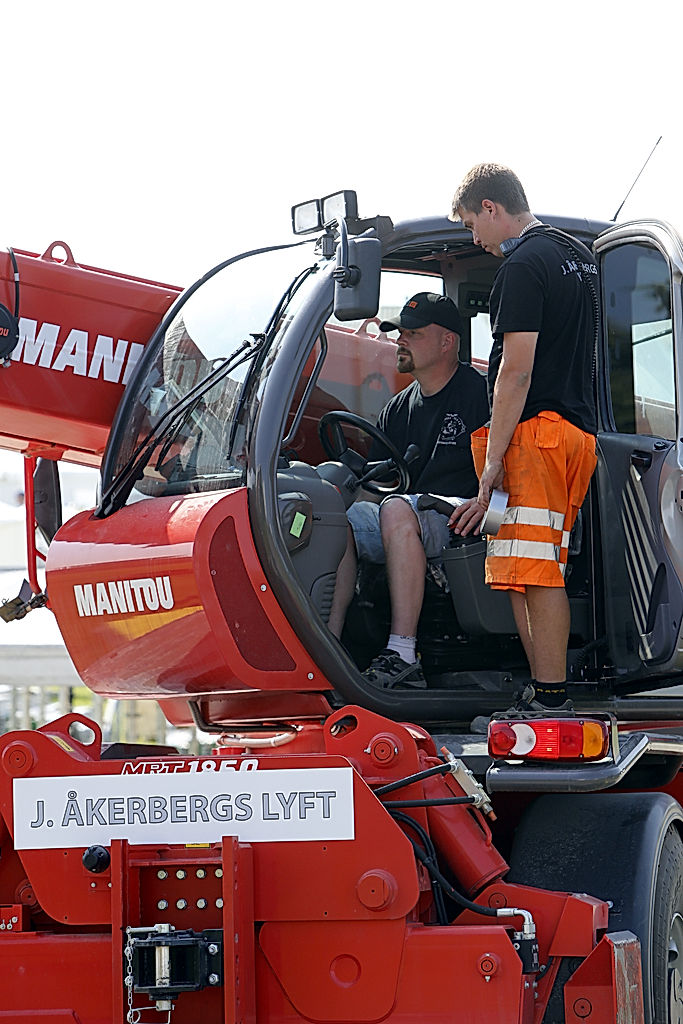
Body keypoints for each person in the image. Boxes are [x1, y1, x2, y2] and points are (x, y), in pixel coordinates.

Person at [449, 163, 598, 714]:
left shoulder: (522, 267)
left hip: (538, 436)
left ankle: (551, 697)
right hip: (576, 435)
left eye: (471, 225)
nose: (474, 239)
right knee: (525, 567)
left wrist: (489, 471)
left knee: (533, 571)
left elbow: (515, 371)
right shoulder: (578, 258)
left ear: (491, 207)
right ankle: (543, 688)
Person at [327, 291, 489, 689]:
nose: (400, 340)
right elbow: (376, 485)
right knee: (335, 517)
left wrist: (484, 504)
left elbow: (503, 478)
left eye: (413, 334)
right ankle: (329, 648)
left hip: (464, 518)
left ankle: (401, 652)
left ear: (447, 342)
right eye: (399, 332)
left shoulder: (482, 396)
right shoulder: (396, 409)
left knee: (397, 509)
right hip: (406, 515)